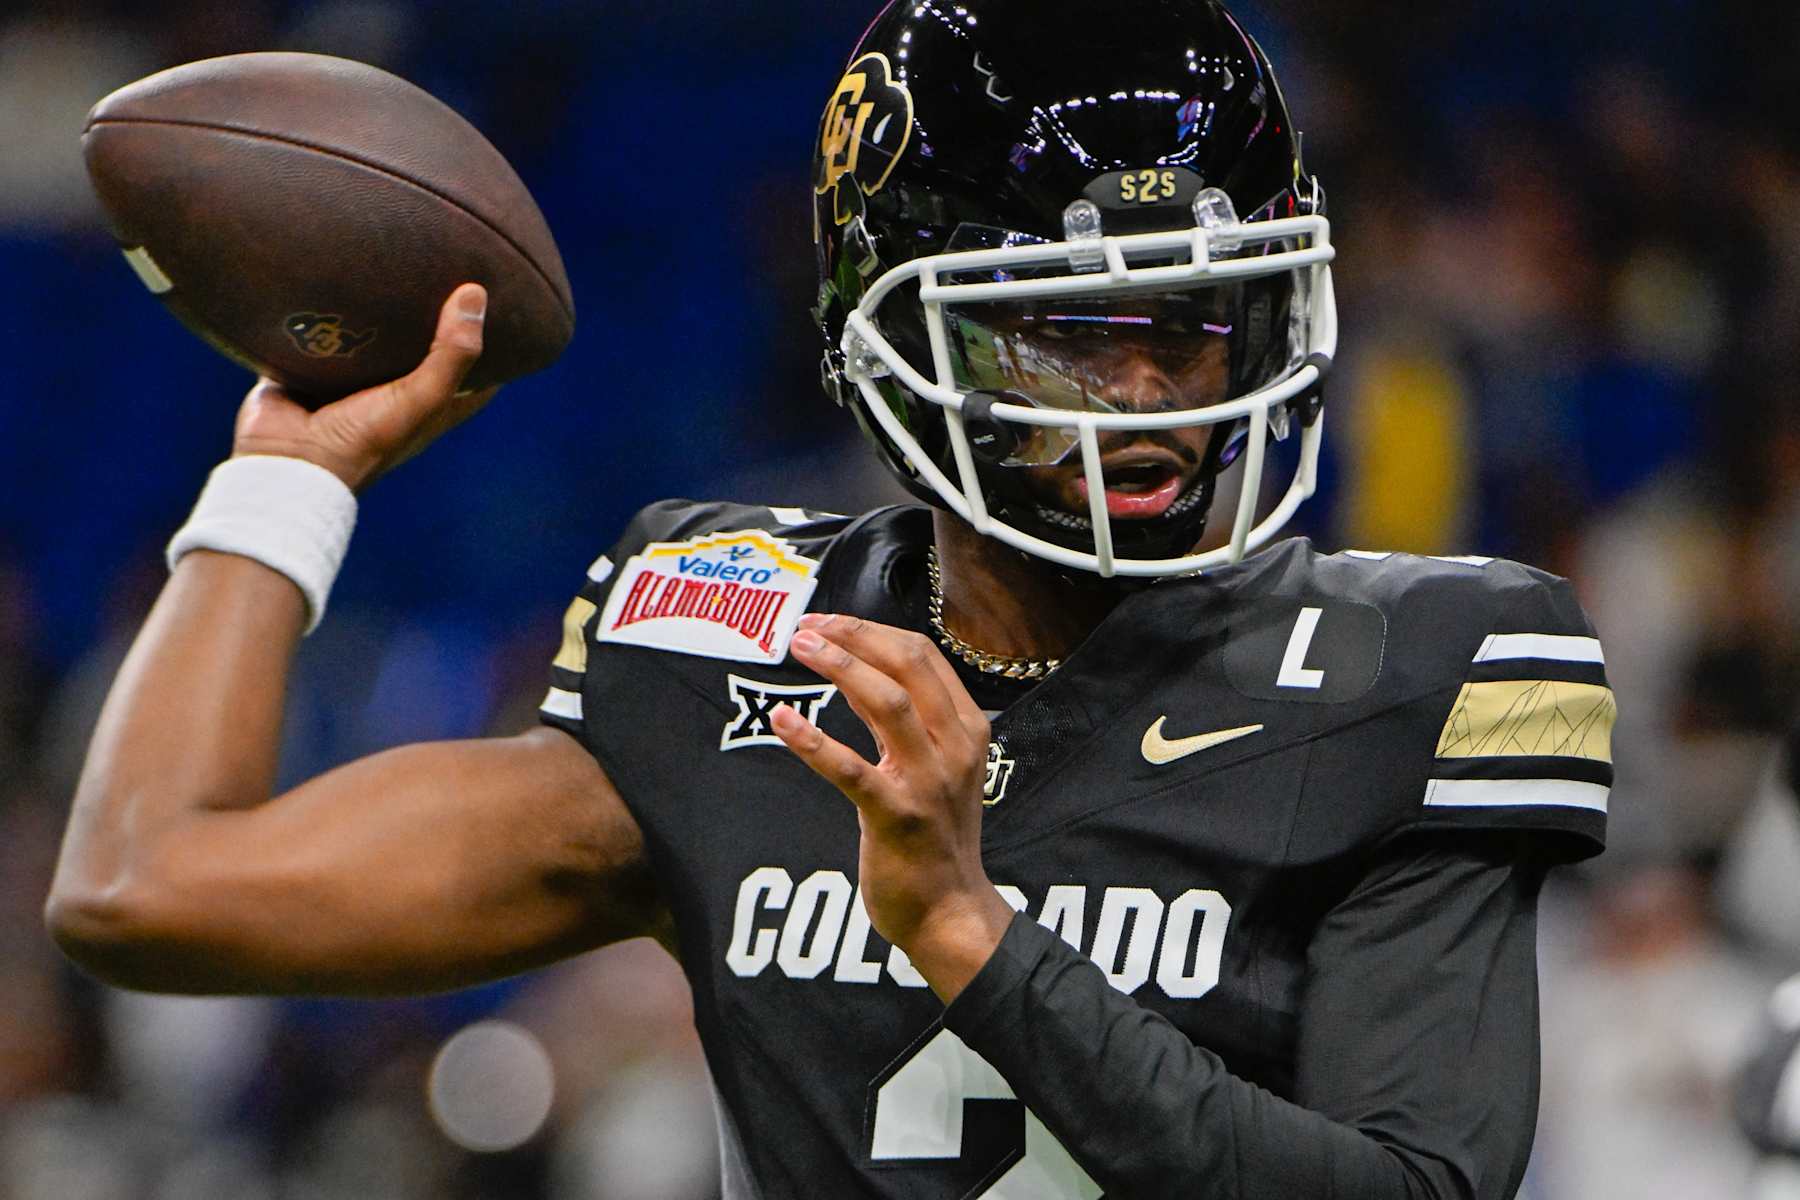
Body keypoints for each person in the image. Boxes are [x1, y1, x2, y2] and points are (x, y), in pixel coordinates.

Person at [45, 2, 1617, 1196]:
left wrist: (971, 938)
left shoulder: (1423, 665)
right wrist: (289, 474)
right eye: (1066, 330)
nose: (1147, 401)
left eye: (1193, 327)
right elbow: (146, 882)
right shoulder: (733, 648)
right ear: (887, 332)